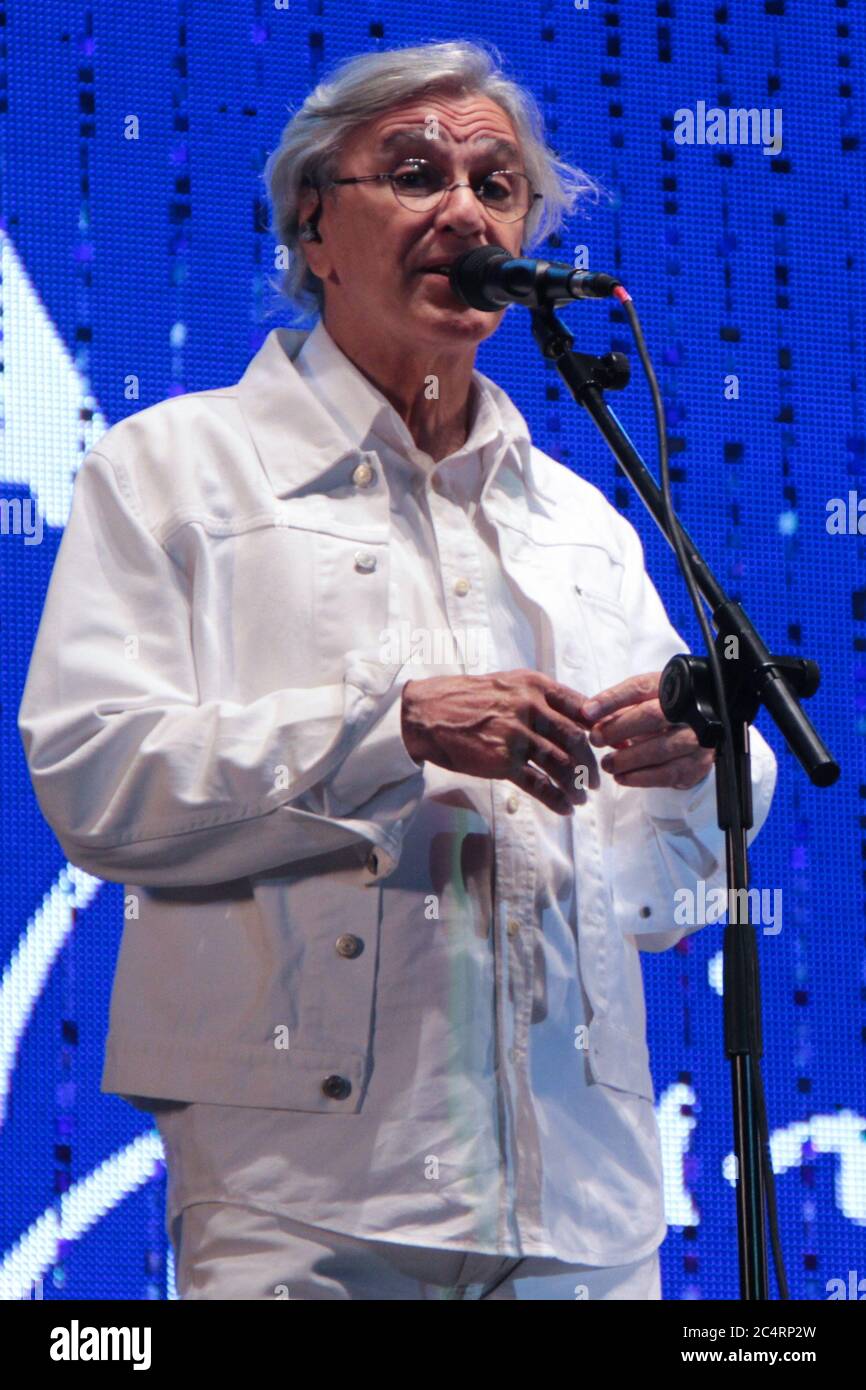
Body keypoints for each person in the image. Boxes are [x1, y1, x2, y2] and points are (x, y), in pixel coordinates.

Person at [18, 39, 777, 1301]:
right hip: (304, 1207)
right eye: (415, 172)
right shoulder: (171, 471)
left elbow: (661, 898)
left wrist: (693, 764)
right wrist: (392, 729)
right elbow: (95, 779)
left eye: (496, 184)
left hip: (584, 1214)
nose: (464, 210)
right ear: (312, 223)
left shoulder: (581, 518)